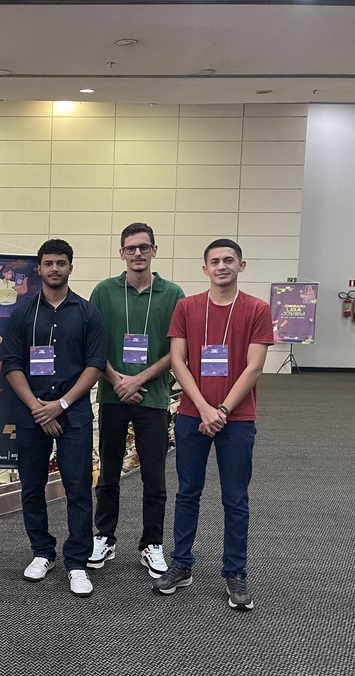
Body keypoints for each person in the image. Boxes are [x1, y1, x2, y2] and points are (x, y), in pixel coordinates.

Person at [152, 239, 273, 611]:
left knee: (235, 498)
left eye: (229, 260)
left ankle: (235, 572)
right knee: (188, 492)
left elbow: (254, 366)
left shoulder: (257, 309)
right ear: (204, 269)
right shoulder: (187, 307)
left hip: (236, 419)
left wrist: (220, 409)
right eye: (214, 261)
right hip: (192, 415)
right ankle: (182, 565)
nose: (221, 266)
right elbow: (177, 360)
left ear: (242, 265)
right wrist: (204, 408)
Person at [2, 238, 106, 597]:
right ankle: (42, 552)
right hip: (32, 414)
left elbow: (94, 366)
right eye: (48, 263)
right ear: (39, 269)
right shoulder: (22, 314)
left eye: (61, 263)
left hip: (74, 412)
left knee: (78, 488)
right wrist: (38, 407)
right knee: (32, 487)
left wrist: (60, 405)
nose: (55, 269)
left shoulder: (88, 312)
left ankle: (77, 562)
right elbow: (12, 366)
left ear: (70, 267)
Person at [87, 223, 184, 577]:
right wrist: (117, 380)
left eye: (144, 248)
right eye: (131, 248)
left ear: (154, 251)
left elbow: (177, 350)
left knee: (154, 478)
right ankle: (104, 537)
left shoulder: (173, 293)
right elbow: (94, 346)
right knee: (108, 472)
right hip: (112, 395)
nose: (138, 254)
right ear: (122, 253)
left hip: (154, 398)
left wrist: (138, 380)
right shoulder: (104, 291)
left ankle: (152, 544)